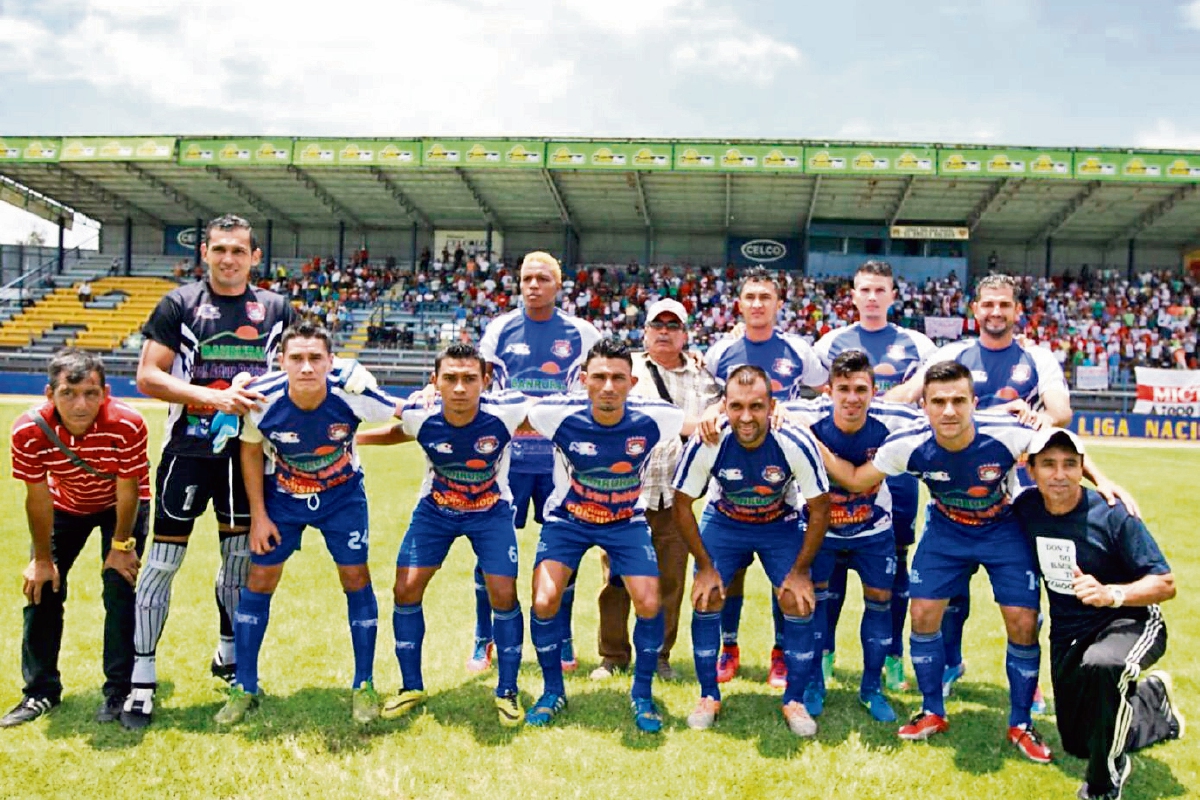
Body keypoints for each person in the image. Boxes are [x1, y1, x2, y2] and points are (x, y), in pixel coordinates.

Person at [820, 361, 1126, 761]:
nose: (949, 410)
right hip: (946, 530)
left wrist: (1103, 481)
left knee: (1022, 621)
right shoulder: (907, 444)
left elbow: (1062, 447)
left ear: (973, 403)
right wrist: (815, 446)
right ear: (924, 407)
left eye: (958, 401)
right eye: (938, 402)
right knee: (922, 614)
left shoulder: (1006, 431)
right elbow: (856, 479)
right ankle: (932, 710)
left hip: (1002, 529)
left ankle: (1021, 722)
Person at [122, 214, 297, 728]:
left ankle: (229, 653)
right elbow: (148, 375)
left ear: (255, 257)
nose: (228, 259)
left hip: (249, 455)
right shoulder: (179, 304)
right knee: (162, 564)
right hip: (188, 453)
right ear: (204, 252)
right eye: (219, 249)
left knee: (238, 563)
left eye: (238, 250)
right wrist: (212, 397)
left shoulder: (276, 309)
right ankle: (142, 678)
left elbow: (297, 371)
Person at [887, 273, 1071, 704]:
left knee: (1024, 600)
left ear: (1017, 310)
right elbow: (909, 394)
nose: (995, 312)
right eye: (988, 304)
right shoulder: (953, 354)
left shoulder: (1037, 358)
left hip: (1017, 501)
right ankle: (950, 663)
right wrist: (858, 408)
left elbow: (1060, 411)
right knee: (948, 594)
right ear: (975, 309)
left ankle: (1029, 682)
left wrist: (1037, 418)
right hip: (954, 496)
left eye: (1004, 304)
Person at [213, 322, 401, 725]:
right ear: (281, 361)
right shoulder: (261, 398)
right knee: (260, 580)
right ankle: (244, 686)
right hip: (283, 498)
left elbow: (404, 412)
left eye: (316, 358)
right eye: (296, 358)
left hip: (343, 496)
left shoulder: (352, 393)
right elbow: (249, 452)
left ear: (331, 362)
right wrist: (259, 516)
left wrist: (426, 396)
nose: (306, 367)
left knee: (356, 577)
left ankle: (364, 684)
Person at [354, 343, 530, 727]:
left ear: (485, 381)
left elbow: (547, 418)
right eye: (450, 378)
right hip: (436, 510)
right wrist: (356, 440)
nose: (460, 388)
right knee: (405, 589)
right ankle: (411, 686)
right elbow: (403, 431)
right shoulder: (421, 412)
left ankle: (507, 689)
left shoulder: (508, 410)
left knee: (503, 594)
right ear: (435, 381)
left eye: (469, 378)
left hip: (490, 511)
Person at [523, 338, 683, 732]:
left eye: (617, 378)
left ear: (632, 382)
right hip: (568, 520)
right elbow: (501, 408)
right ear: (583, 380)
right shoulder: (553, 413)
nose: (608, 386)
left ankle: (642, 694)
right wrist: (428, 396)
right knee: (544, 600)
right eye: (599, 377)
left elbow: (707, 423)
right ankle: (552, 691)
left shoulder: (657, 417)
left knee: (649, 602)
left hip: (625, 520)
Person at [1014, 428, 1183, 800]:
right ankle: (1152, 701)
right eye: (1049, 465)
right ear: (1031, 470)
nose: (1060, 474)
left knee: (1104, 665)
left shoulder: (1112, 513)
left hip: (1130, 620)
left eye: (1070, 464)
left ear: (1082, 469)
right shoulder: (1026, 509)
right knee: (1079, 742)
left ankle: (1104, 781)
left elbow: (1165, 583)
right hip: (1070, 631)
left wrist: (1111, 594)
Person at [672, 365, 831, 736]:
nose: (746, 417)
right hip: (725, 522)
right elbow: (681, 503)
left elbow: (821, 506)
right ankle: (708, 695)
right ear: (724, 406)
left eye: (756, 406)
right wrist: (705, 567)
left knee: (797, 599)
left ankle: (795, 699)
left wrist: (800, 571)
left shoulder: (793, 439)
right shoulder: (709, 439)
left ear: (771, 406)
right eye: (737, 406)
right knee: (707, 595)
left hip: (779, 524)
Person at [2, 349, 150, 727]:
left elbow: (128, 489)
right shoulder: (28, 430)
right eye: (68, 393)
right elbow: (38, 498)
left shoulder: (128, 423)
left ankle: (119, 690)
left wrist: (121, 547)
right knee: (42, 588)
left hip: (121, 505)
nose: (80, 404)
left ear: (106, 393)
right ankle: (40, 691)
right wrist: (41, 560)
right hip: (65, 504)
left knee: (119, 586)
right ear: (49, 394)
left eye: (90, 393)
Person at [812, 260, 937, 692]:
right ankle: (825, 654)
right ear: (853, 294)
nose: (871, 297)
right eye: (864, 289)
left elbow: (938, 383)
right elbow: (811, 390)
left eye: (880, 290)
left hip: (894, 474)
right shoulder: (830, 342)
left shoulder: (918, 344)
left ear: (892, 296)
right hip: (841, 464)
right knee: (828, 568)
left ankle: (892, 658)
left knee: (893, 568)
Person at [702, 266, 829, 688]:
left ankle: (780, 652)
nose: (757, 304)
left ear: (778, 304)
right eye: (750, 297)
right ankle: (728, 646)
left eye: (765, 297)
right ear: (739, 304)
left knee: (785, 578)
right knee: (729, 574)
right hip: (730, 480)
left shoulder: (798, 350)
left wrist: (795, 412)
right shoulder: (721, 352)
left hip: (783, 485)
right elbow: (709, 401)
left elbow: (824, 393)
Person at [475, 251, 601, 672]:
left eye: (543, 279)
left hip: (560, 463)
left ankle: (562, 638)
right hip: (508, 461)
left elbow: (610, 373)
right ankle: (484, 637)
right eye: (527, 278)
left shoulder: (582, 333)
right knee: (491, 549)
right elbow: (476, 381)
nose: (534, 285)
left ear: (558, 285)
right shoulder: (499, 329)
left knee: (564, 550)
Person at [783, 350, 921, 722]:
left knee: (879, 602)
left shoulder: (893, 422)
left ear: (874, 391)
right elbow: (760, 406)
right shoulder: (806, 417)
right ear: (828, 391)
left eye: (861, 389)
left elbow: (951, 419)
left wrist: (1019, 412)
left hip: (873, 531)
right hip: (822, 533)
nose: (852, 398)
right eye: (843, 389)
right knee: (816, 605)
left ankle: (871, 688)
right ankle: (815, 683)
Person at [590, 299, 720, 683]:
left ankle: (659, 655)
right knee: (616, 579)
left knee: (671, 579)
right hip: (626, 492)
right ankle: (612, 655)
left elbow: (719, 414)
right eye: (657, 325)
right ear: (645, 332)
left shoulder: (703, 378)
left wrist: (710, 417)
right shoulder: (625, 369)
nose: (664, 331)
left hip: (676, 495)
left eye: (672, 325)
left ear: (685, 334)